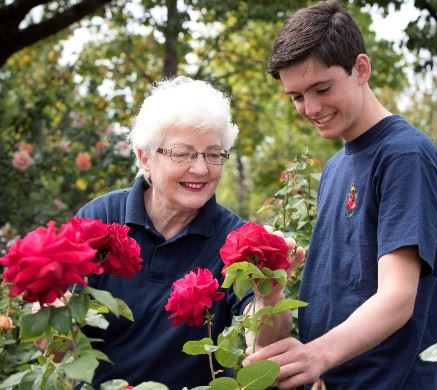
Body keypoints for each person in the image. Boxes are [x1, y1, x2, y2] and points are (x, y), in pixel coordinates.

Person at [243, 1, 437, 389]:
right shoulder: (337, 166)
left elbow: (397, 297)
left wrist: (317, 354)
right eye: (297, 96)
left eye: (322, 89)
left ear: (361, 68)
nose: (311, 108)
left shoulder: (405, 156)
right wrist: (321, 365)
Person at [76, 77, 304, 388]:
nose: (201, 169)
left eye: (213, 154)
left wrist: (270, 292)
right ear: (145, 157)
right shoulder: (100, 220)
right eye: (183, 154)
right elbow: (58, 347)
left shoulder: (235, 240)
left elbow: (261, 349)